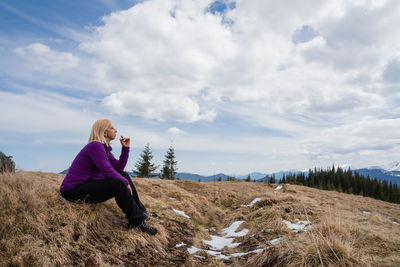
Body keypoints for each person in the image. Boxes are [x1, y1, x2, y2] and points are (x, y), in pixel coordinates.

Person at [60, 119, 157, 235]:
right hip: (72, 191)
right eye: (112, 128)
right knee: (119, 183)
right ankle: (137, 221)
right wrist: (125, 183)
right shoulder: (95, 146)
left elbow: (118, 168)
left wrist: (125, 148)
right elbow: (107, 171)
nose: (116, 130)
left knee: (123, 175)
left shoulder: (103, 149)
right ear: (104, 132)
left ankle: (141, 214)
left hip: (85, 186)